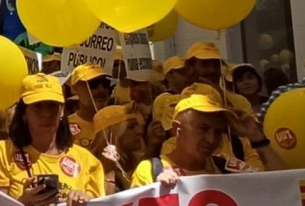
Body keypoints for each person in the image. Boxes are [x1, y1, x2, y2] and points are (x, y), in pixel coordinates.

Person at [0, 74, 103, 206]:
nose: (46, 113)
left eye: (52, 106)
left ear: (62, 111)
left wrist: (83, 201)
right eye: (37, 106)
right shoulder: (2, 154)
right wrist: (24, 202)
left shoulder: (88, 161)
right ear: (23, 113)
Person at [130, 93, 284, 187]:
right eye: (203, 129)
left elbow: (284, 184)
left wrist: (257, 138)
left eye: (218, 131)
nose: (211, 139)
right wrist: (160, 193)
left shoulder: (226, 166)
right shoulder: (151, 171)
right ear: (177, 129)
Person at [183, 42, 252, 116]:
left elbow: (248, 126)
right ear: (189, 69)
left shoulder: (240, 101)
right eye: (205, 64)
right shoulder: (179, 99)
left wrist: (224, 100)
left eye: (216, 64)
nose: (212, 70)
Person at [88, 106, 144, 194]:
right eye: (131, 127)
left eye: (138, 125)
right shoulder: (92, 168)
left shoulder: (140, 162)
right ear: (112, 134)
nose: (139, 131)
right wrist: (109, 171)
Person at [67, 64, 111, 149]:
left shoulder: (119, 122)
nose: (101, 89)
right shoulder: (64, 128)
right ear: (75, 89)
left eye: (105, 83)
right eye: (93, 84)